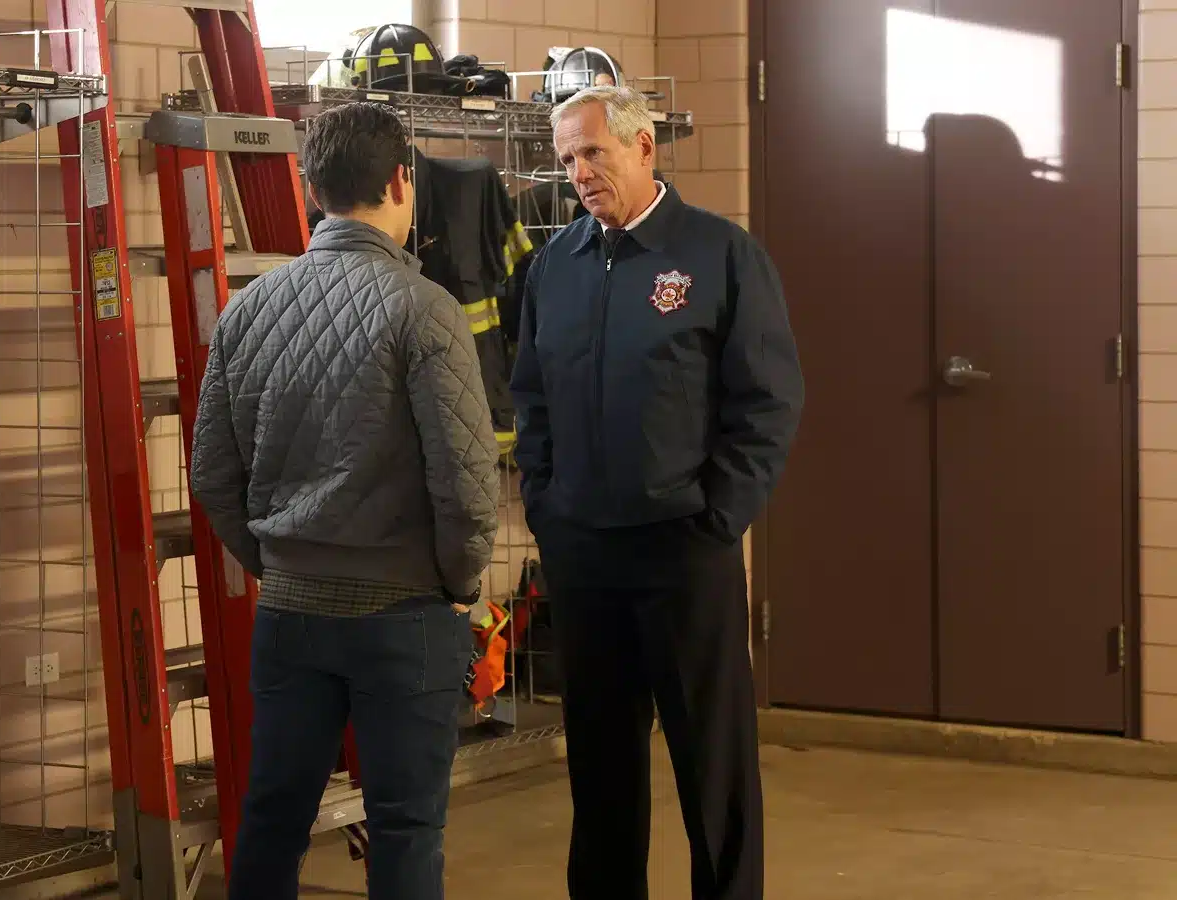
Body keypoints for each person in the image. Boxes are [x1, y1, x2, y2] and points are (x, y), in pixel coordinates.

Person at [188, 101, 500, 900]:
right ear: (401, 181)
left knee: (271, 819)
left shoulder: (248, 307)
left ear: (310, 187)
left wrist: (280, 564)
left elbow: (212, 474)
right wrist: (459, 583)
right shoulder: (424, 308)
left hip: (289, 617)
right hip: (405, 615)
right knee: (406, 828)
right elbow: (467, 485)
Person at [510, 85, 803, 899]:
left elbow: (769, 402)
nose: (579, 172)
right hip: (583, 555)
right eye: (567, 159)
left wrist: (716, 517)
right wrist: (547, 505)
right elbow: (531, 398)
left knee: (712, 764)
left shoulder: (719, 254)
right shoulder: (554, 267)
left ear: (644, 148)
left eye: (593, 152)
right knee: (600, 768)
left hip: (684, 551)